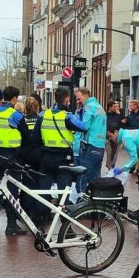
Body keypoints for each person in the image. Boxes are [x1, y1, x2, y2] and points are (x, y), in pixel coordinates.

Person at [36, 86, 87, 221]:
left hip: (46, 157)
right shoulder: (67, 116)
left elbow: (35, 137)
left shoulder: (43, 115)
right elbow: (83, 127)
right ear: (66, 99)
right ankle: (66, 224)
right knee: (63, 193)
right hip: (63, 159)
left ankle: (40, 221)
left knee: (44, 191)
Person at [0, 85, 28, 234]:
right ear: (14, 99)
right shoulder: (15, 115)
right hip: (12, 157)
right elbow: (26, 135)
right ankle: (11, 225)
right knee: (12, 191)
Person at [73, 87, 106, 196]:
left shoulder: (89, 107)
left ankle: (80, 202)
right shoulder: (99, 106)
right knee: (95, 178)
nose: (78, 102)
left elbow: (84, 126)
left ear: (85, 95)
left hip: (90, 145)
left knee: (83, 174)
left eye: (79, 99)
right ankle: (97, 203)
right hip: (100, 146)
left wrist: (71, 119)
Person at [20, 96, 44, 220]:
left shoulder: (22, 121)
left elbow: (20, 138)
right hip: (39, 155)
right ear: (36, 107)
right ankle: (37, 211)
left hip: (26, 155)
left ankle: (26, 210)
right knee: (38, 183)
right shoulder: (41, 120)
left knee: (26, 183)